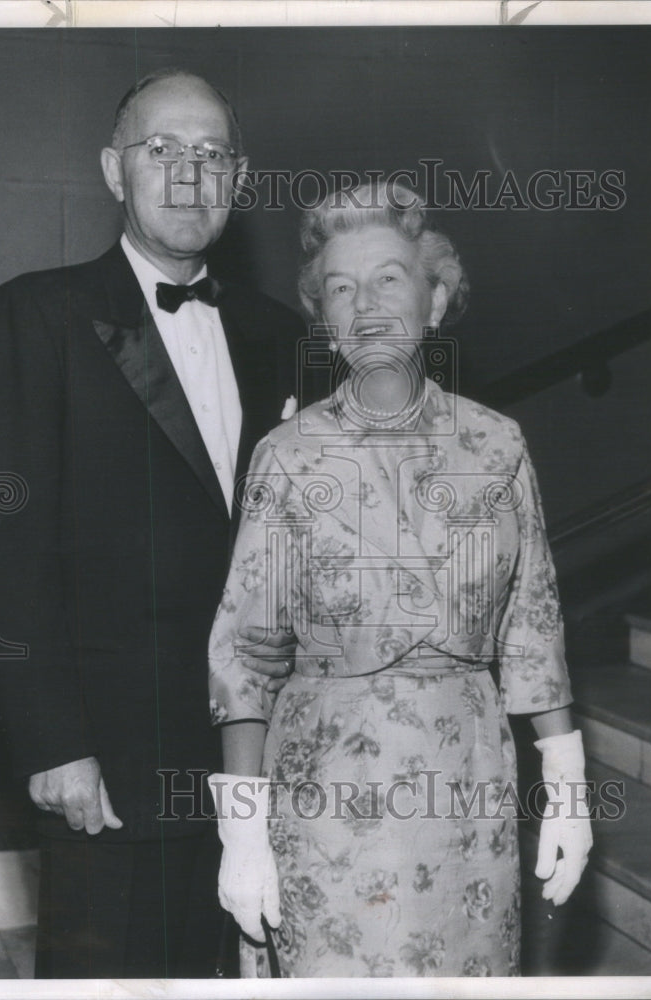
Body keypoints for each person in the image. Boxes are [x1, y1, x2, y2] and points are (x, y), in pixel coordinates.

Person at [0, 69, 305, 978]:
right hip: (107, 759)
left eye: (211, 154)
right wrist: (52, 744)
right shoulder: (35, 314)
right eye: (163, 151)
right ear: (114, 171)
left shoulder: (279, 332)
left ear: (239, 177)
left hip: (259, 752)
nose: (189, 175)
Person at [207, 180, 593, 977]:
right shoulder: (288, 457)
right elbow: (245, 659)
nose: (366, 304)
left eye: (389, 277)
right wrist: (240, 830)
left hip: (469, 790)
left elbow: (531, 627)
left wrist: (567, 786)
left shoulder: (498, 446)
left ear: (436, 300)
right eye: (341, 288)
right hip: (325, 798)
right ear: (324, 320)